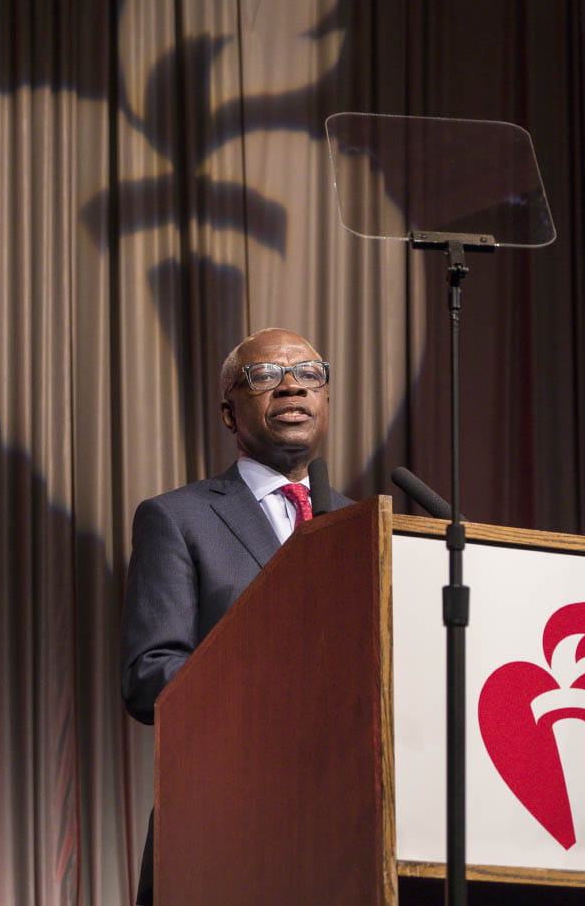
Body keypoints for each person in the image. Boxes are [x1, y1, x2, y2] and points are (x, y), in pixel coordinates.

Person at [120, 327, 353, 905]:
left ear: (325, 398)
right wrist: (269, 685)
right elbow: (150, 677)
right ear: (229, 412)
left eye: (308, 374)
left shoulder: (363, 525)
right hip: (226, 822)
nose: (291, 388)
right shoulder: (178, 518)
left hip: (349, 826)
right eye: (265, 377)